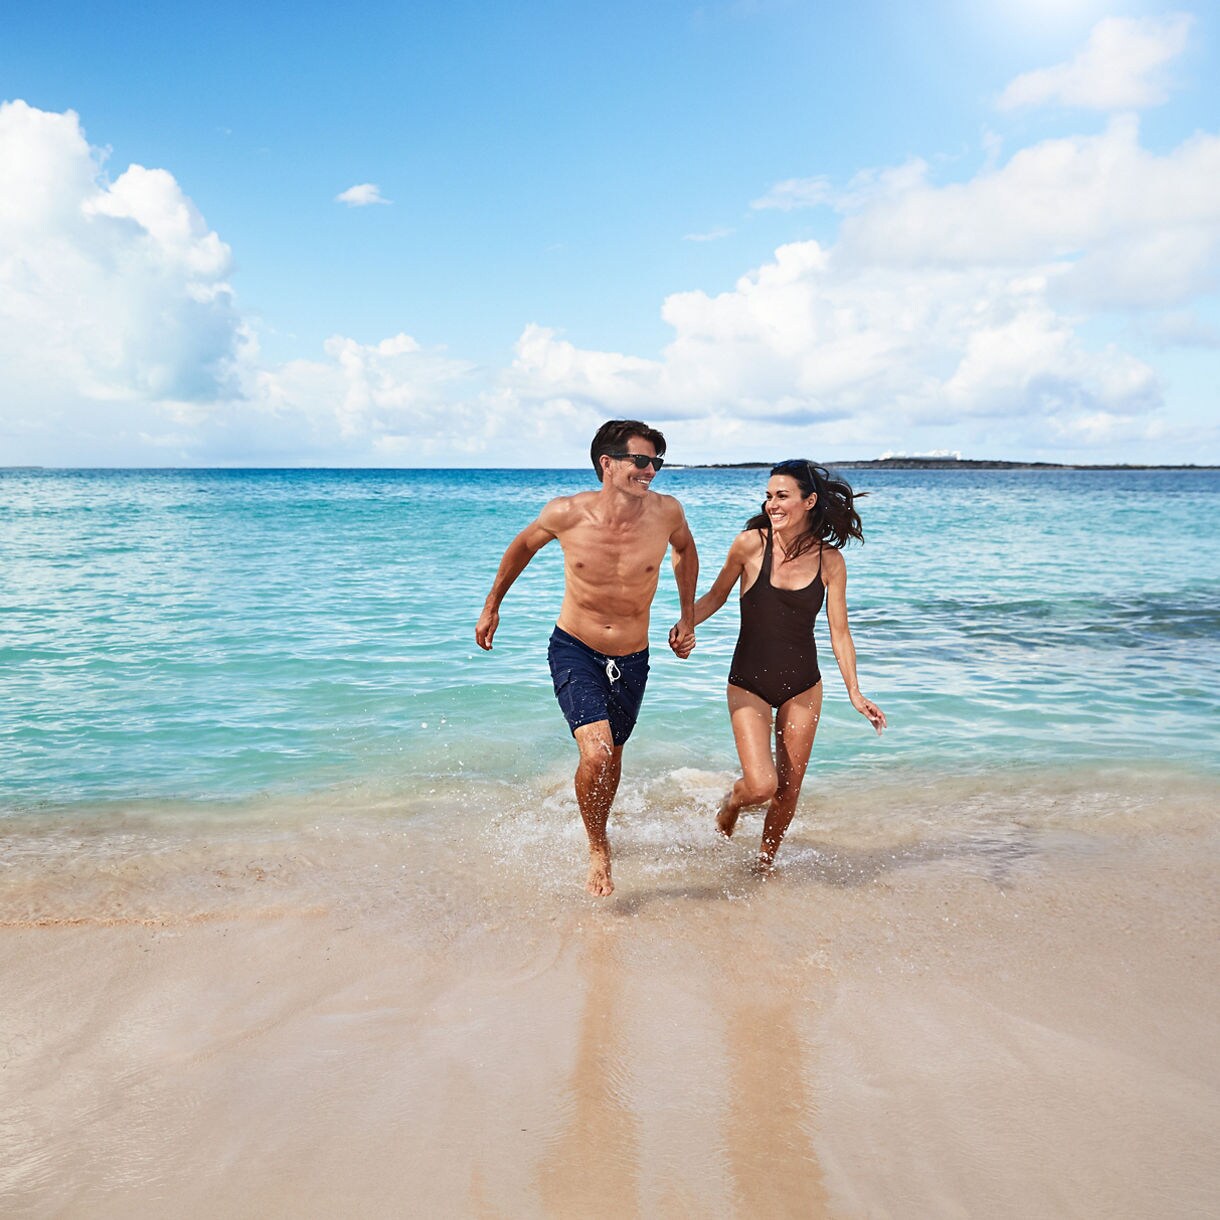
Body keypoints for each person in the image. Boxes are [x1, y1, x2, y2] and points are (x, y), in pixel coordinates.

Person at [475, 420, 698, 897]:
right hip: (575, 646)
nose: (651, 471)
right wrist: (493, 604)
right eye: (641, 461)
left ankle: (600, 823)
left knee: (612, 756)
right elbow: (521, 548)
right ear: (608, 463)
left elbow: (685, 551)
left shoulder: (667, 513)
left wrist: (687, 617)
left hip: (633, 656)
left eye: (656, 462)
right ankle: (598, 846)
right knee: (595, 752)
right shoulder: (566, 513)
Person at [674, 459, 885, 870]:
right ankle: (733, 801)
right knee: (761, 785)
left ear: (809, 501)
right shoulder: (750, 545)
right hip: (749, 681)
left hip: (803, 685)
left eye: (782, 496)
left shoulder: (831, 562)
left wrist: (855, 693)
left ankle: (764, 865)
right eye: (769, 496)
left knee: (787, 790)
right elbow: (715, 596)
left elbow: (839, 632)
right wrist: (685, 623)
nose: (772, 504)